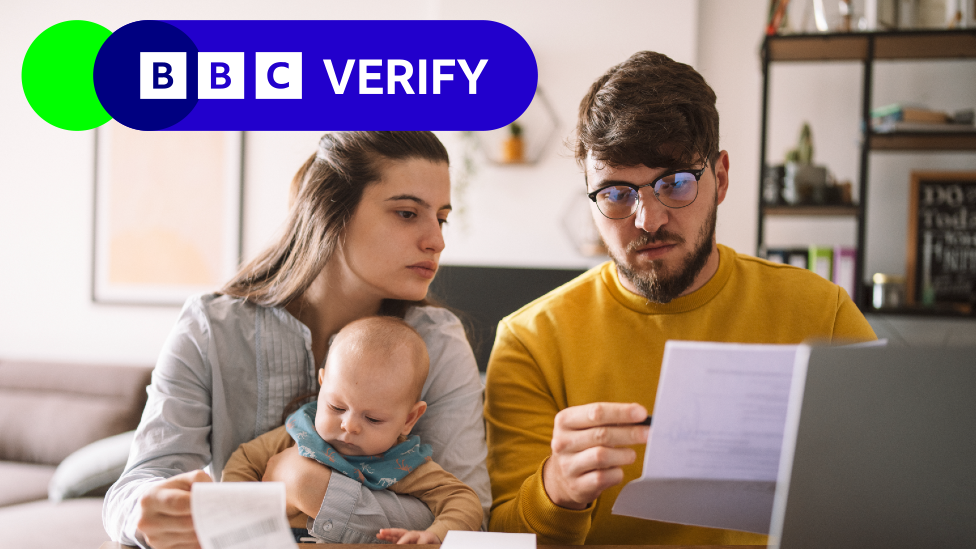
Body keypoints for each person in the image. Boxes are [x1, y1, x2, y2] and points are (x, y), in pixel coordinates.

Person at [483, 51, 877, 545]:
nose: (648, 220)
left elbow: (891, 493)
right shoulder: (530, 341)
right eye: (616, 193)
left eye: (675, 183)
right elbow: (500, 539)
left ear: (723, 179)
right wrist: (556, 491)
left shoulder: (824, 313)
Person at [103, 132, 491, 549]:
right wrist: (146, 510)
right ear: (330, 212)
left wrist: (307, 485)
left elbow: (470, 518)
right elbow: (134, 488)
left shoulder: (439, 342)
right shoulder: (210, 328)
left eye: (442, 217)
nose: (437, 240)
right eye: (407, 213)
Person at [222, 316, 483, 545]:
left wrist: (437, 534)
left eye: (373, 419)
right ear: (322, 385)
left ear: (409, 419)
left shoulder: (402, 463)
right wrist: (236, 517)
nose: (349, 425)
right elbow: (244, 460)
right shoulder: (300, 432)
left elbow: (464, 501)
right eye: (336, 407)